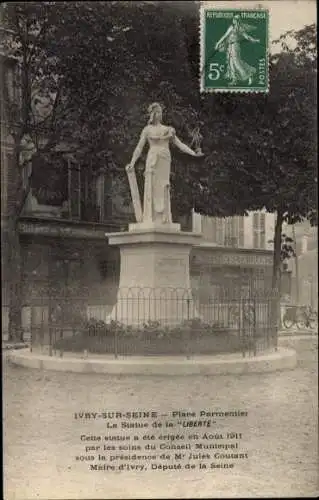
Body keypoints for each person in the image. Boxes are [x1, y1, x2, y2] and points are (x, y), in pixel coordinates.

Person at [126, 103, 203, 224]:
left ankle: (164, 218)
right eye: (157, 112)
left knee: (163, 186)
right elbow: (139, 147)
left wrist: (193, 153)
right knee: (152, 185)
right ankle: (150, 218)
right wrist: (132, 162)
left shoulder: (168, 129)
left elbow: (180, 144)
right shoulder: (147, 130)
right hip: (152, 159)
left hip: (164, 159)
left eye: (160, 112)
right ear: (152, 114)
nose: (159, 114)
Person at [215, 15, 260, 86]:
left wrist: (254, 40)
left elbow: (247, 37)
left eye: (235, 19)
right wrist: (218, 43)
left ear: (237, 20)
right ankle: (234, 80)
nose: (233, 20)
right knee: (231, 63)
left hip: (235, 46)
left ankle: (249, 75)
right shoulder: (231, 27)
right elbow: (225, 36)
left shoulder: (240, 28)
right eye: (233, 19)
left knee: (237, 62)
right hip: (230, 46)